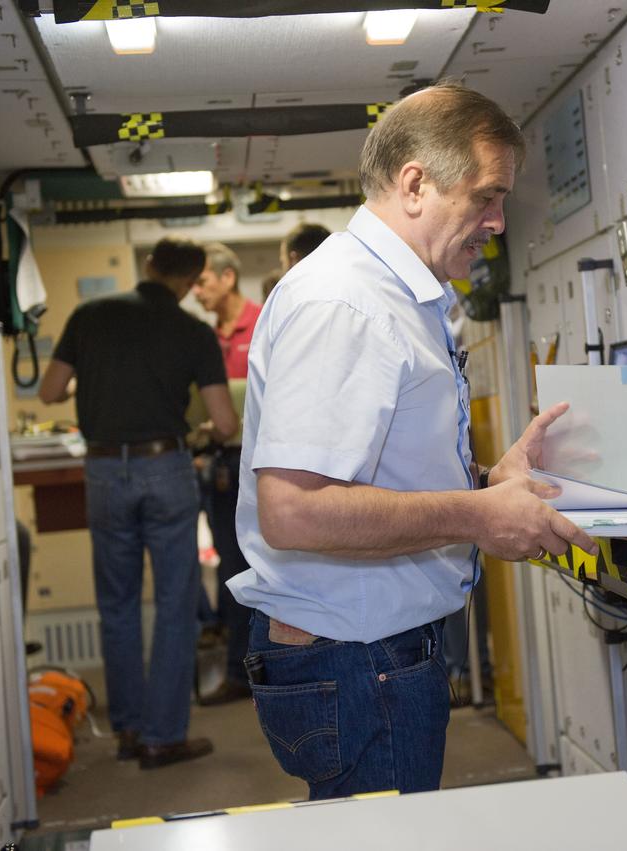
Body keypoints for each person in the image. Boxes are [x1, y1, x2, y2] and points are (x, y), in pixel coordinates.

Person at [230, 83, 597, 799]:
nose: (496, 221)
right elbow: (295, 509)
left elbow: (381, 468)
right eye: (486, 197)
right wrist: (478, 516)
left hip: (373, 654)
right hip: (358, 663)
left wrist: (488, 484)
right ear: (416, 183)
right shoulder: (347, 302)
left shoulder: (400, 295)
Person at [38, 238, 236, 770]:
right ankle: (163, 735)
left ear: (148, 266)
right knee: (176, 602)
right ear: (193, 280)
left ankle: (127, 728)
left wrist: (100, 375)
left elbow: (49, 391)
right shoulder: (195, 332)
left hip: (103, 469)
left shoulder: (90, 315)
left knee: (117, 603)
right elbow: (225, 423)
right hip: (166, 467)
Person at [190, 243, 261, 706]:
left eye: (203, 282)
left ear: (228, 277)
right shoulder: (204, 337)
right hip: (217, 465)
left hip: (257, 465)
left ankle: (256, 667)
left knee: (258, 565)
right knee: (231, 567)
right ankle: (239, 667)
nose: (196, 292)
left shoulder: (263, 322)